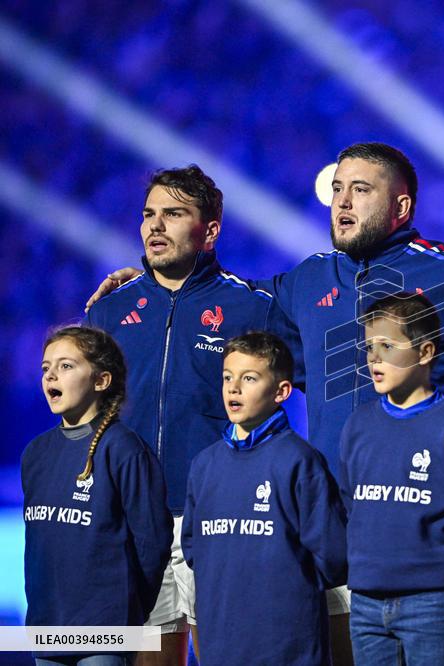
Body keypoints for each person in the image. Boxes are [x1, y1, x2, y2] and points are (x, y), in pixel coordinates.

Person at [86, 145, 444, 663]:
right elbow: (210, 301)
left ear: (402, 206)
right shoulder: (305, 282)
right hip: (331, 519)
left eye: (359, 190)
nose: (342, 202)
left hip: (420, 528)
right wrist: (142, 282)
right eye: (337, 190)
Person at [84, 165, 276, 665]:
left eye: (173, 214)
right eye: (149, 214)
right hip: (132, 517)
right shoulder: (108, 312)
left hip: (219, 513)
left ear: (209, 230)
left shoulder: (254, 307)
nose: (155, 226)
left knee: (225, 654)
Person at [339, 293, 444, 665]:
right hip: (367, 604)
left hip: (435, 604)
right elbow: (349, 508)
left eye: (387, 345)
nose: (374, 358)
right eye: (370, 346)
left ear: (425, 352)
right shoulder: (358, 426)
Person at [182, 332, 348, 666]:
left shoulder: (299, 461)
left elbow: (333, 558)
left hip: (287, 648)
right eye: (228, 377)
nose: (233, 387)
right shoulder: (204, 465)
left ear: (281, 391)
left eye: (249, 378)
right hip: (222, 646)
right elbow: (193, 550)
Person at [24, 326, 173, 666]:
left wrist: (129, 609)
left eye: (65, 366)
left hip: (104, 628)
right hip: (47, 627)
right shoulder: (35, 453)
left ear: (101, 380)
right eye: (45, 368)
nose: (51, 376)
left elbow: (152, 543)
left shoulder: (124, 450)